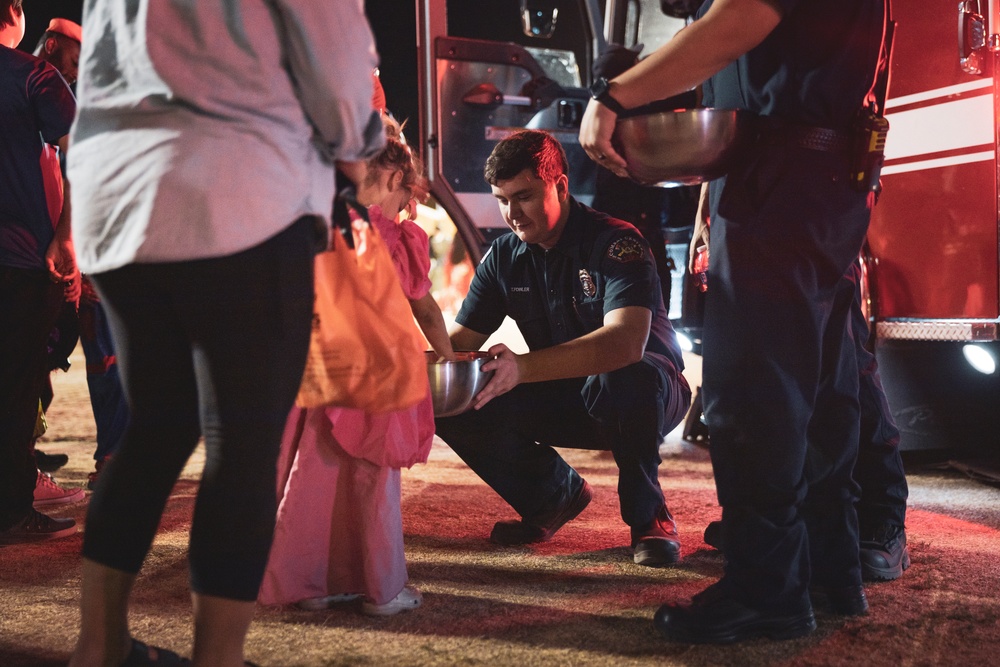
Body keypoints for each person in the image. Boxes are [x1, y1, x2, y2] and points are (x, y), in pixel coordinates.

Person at [65, 2, 384, 665]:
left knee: (156, 424)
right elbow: (333, 50)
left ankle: (96, 648)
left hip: (116, 195)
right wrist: (357, 145)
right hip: (239, 190)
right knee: (241, 442)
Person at [580, 0, 888, 643]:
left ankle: (766, 588)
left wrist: (614, 94)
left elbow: (742, 16)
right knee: (824, 386)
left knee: (757, 390)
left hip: (778, 177)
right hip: (826, 173)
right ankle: (831, 569)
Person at [434, 129, 692, 568]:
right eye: (502, 199)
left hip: (647, 396)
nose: (512, 214)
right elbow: (457, 348)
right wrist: (406, 358)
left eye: (524, 196)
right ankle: (550, 496)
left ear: (561, 186)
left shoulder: (617, 242)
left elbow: (626, 344)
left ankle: (649, 516)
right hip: (567, 394)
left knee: (627, 376)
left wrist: (521, 368)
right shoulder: (503, 257)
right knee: (452, 396)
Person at [261, 112, 455, 616]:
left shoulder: (322, 228)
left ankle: (309, 581)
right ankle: (380, 588)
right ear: (394, 178)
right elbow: (425, 308)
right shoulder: (395, 238)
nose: (408, 206)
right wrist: (451, 357)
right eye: (407, 193)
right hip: (377, 378)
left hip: (320, 369)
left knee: (312, 475)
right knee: (372, 480)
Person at [0, 0, 81, 546]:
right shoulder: (33, 77)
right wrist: (67, 234)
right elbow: (84, 155)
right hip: (23, 255)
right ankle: (9, 509)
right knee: (14, 385)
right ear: (15, 11)